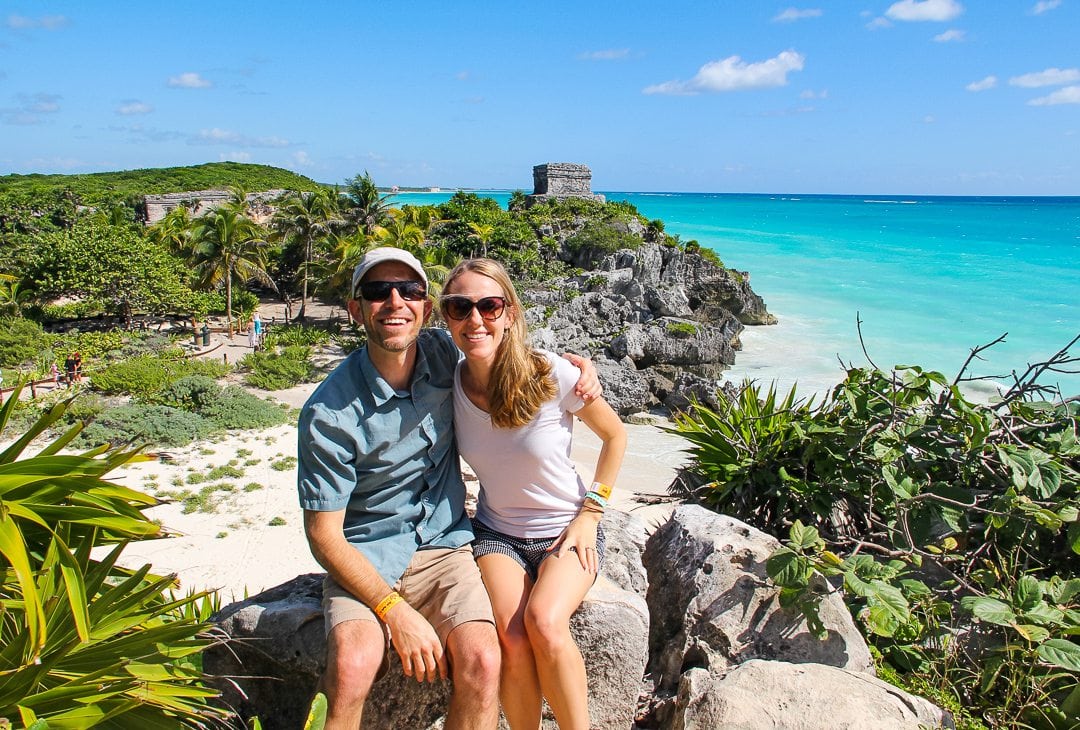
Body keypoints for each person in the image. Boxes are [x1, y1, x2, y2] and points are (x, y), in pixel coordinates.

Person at [296, 247, 600, 729]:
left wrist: (582, 372)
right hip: (368, 552)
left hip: (445, 545)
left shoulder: (444, 354)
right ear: (356, 310)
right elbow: (324, 536)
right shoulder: (328, 413)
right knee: (353, 667)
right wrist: (393, 610)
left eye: (410, 291)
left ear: (423, 308)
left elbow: (506, 351)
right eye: (377, 293)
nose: (395, 302)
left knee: (483, 660)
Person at [440, 258, 626, 730]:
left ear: (510, 313)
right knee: (513, 636)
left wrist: (591, 514)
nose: (475, 319)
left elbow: (616, 438)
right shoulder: (445, 383)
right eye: (460, 307)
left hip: (566, 528)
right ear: (445, 317)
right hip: (497, 532)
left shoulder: (553, 373)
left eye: (489, 305)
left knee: (544, 622)